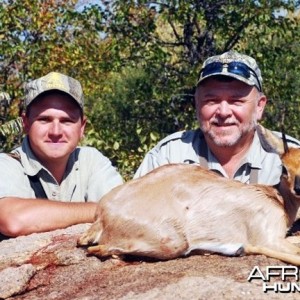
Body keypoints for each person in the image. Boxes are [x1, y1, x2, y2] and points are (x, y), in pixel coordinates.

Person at [134, 50, 300, 184]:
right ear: (197, 104)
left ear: (259, 106)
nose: (223, 112)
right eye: (211, 100)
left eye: (236, 101)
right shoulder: (168, 156)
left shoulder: (292, 157)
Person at [0, 72, 123, 239]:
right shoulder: (7, 164)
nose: (56, 132)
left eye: (67, 121)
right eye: (44, 119)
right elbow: (12, 220)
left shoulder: (91, 160)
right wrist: (99, 210)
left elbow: (123, 210)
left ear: (82, 128)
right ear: (26, 123)